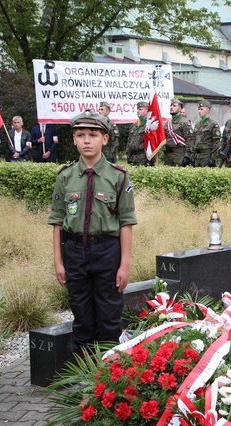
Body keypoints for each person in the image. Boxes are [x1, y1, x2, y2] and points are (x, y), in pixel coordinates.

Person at [47, 109, 137, 353]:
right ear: (74, 139)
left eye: (93, 134)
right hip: (75, 252)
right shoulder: (65, 177)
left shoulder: (118, 177)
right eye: (80, 135)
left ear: (105, 139)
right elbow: (57, 220)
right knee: (82, 316)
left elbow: (126, 222)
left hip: (108, 251)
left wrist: (125, 264)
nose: (87, 140)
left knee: (109, 316)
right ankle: (85, 375)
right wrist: (58, 262)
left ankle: (107, 375)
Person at [164, 98, 194, 166]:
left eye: (174, 106)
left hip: (180, 156)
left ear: (180, 109)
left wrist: (187, 156)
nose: (171, 107)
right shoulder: (167, 124)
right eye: (171, 106)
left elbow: (190, 140)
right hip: (168, 156)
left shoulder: (185, 122)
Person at [191, 100, 221, 167]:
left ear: (207, 111)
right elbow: (194, 140)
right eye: (199, 109)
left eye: (201, 109)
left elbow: (216, 143)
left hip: (207, 156)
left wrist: (213, 158)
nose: (199, 111)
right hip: (197, 156)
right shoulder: (197, 124)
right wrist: (192, 156)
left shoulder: (213, 124)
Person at [126, 101, 152, 166]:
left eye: (140, 109)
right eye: (137, 109)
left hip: (143, 158)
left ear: (146, 111)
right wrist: (128, 155)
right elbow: (129, 141)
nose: (138, 111)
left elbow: (152, 143)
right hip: (132, 158)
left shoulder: (149, 126)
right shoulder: (134, 125)